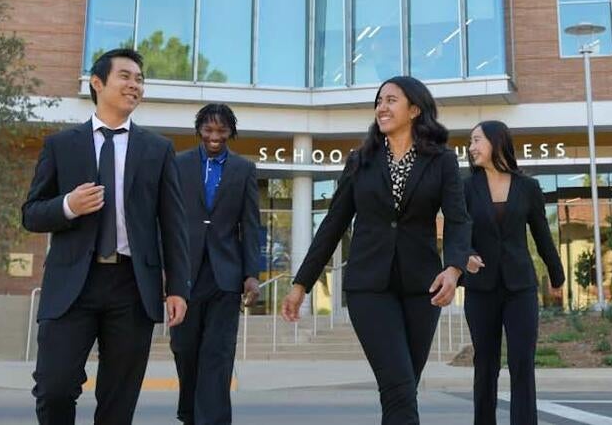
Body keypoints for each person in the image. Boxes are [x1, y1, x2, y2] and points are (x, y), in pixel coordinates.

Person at [281, 75, 474, 425]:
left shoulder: (441, 160)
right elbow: (333, 225)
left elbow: (459, 219)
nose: (381, 107)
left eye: (391, 100)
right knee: (399, 385)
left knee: (401, 389)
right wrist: (300, 284)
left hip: (422, 289)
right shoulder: (360, 160)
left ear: (414, 109)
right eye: (379, 101)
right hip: (369, 288)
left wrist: (455, 267)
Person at [22, 48, 190, 425]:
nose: (135, 85)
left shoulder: (158, 149)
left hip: (132, 286)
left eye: (140, 79)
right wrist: (68, 205)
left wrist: (178, 286)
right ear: (97, 83)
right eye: (126, 76)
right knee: (54, 388)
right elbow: (31, 214)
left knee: (118, 402)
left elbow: (173, 223)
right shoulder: (61, 145)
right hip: (71, 287)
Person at [461, 120, 565, 425]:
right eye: (470, 141)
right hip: (481, 289)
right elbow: (457, 232)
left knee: (522, 364)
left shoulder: (528, 187)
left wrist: (557, 277)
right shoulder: (466, 187)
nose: (471, 148)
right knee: (486, 364)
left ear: (496, 142)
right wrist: (464, 256)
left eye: (477, 140)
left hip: (520, 287)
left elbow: (542, 235)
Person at [171, 103, 264, 425]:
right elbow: (164, 220)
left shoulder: (243, 170)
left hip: (226, 275)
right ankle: (189, 414)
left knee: (218, 354)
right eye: (209, 130)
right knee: (184, 349)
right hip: (184, 276)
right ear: (199, 130)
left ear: (230, 133)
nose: (214, 137)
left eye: (221, 131)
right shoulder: (178, 164)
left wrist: (252, 274)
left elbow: (252, 225)